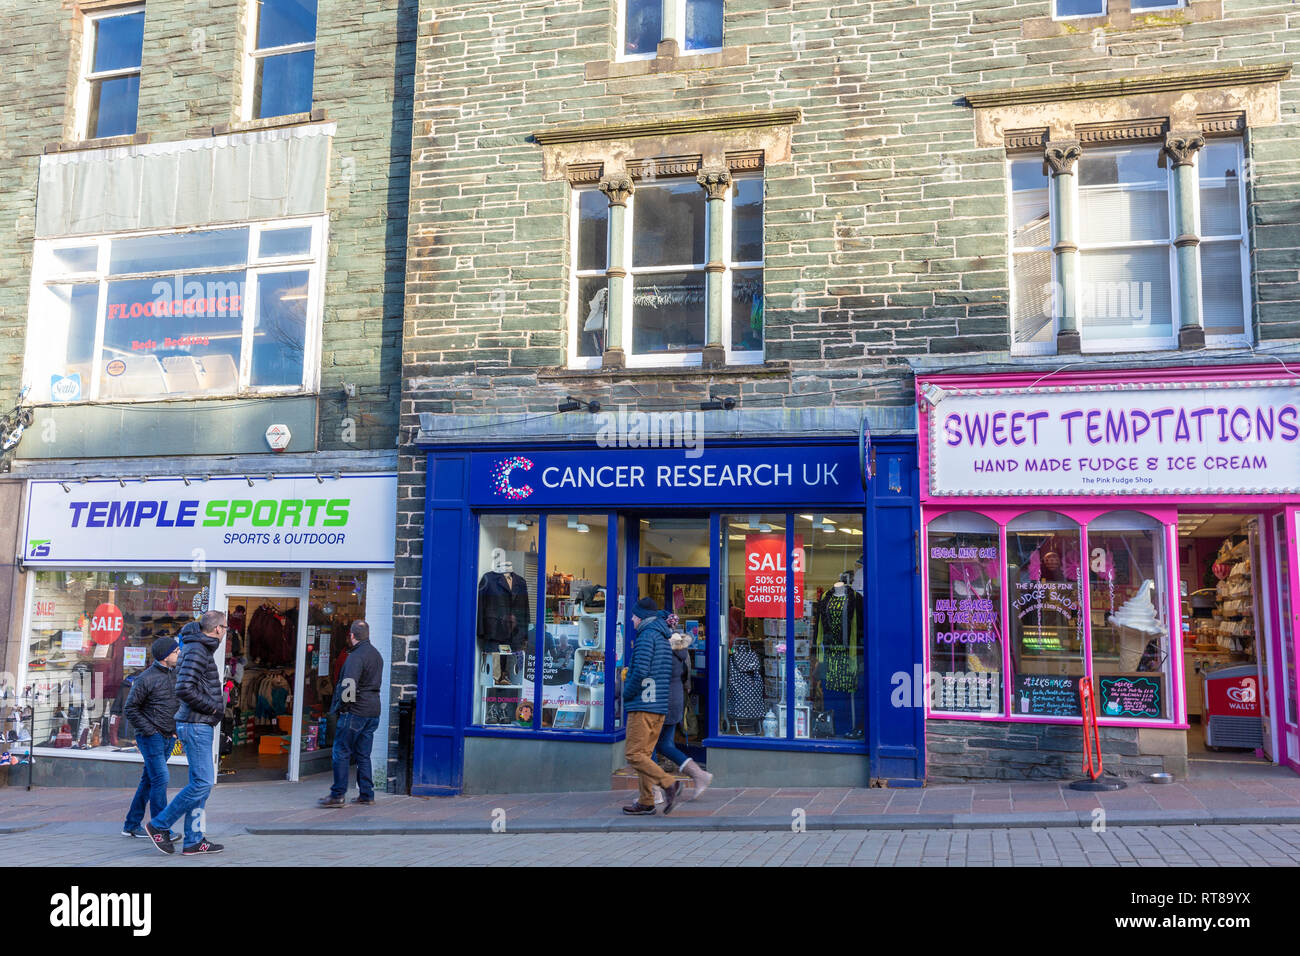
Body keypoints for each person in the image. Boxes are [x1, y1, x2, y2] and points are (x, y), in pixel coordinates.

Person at [144, 610, 227, 856]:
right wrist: (211, 707)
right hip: (196, 724)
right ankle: (159, 825)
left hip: (197, 724)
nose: (226, 633)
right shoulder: (198, 650)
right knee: (202, 783)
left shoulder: (197, 647)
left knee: (200, 784)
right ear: (218, 629)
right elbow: (184, 688)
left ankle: (193, 840)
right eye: (226, 628)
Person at [621, 597, 682, 815]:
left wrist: (625, 693)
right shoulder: (664, 636)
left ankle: (669, 783)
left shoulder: (647, 636)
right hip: (658, 705)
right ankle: (646, 801)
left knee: (633, 754)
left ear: (642, 617)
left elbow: (641, 671)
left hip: (643, 705)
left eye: (634, 616)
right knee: (644, 755)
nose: (631, 619)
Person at [121, 636, 181, 839]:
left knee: (149, 780)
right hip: (151, 738)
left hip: (168, 736)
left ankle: (131, 824)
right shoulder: (145, 678)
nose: (179, 653)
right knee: (161, 778)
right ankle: (160, 828)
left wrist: (175, 730)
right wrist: (151, 730)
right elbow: (130, 708)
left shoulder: (176, 674)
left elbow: (176, 704)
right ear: (165, 656)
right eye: (175, 651)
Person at [319, 620, 383, 807]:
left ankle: (338, 794)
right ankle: (367, 794)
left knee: (341, 751)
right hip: (373, 709)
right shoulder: (376, 655)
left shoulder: (355, 657)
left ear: (352, 636)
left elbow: (349, 685)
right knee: (363, 754)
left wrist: (344, 708)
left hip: (356, 711)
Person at [653, 627, 713, 802]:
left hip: (663, 702)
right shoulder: (681, 654)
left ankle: (656, 790)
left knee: (645, 747)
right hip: (675, 700)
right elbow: (685, 677)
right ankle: (699, 775)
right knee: (664, 745)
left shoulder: (665, 654)